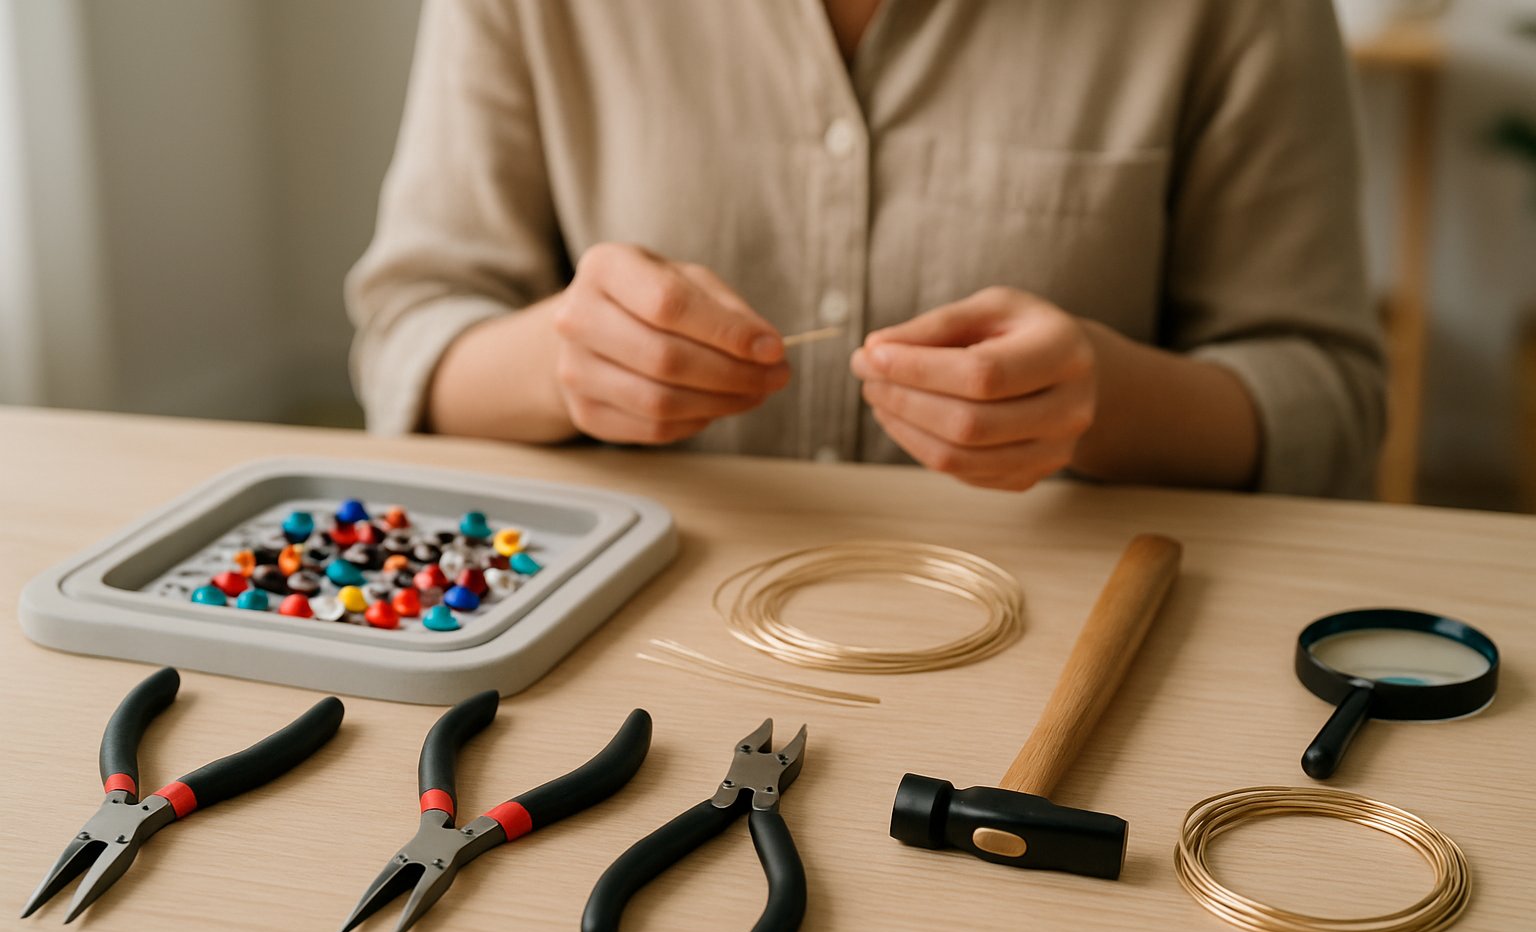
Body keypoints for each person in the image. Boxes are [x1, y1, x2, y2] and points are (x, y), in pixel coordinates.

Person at [347, 0, 1384, 498]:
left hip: (1068, 648)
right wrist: (560, 361)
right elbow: (410, 334)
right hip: (629, 644)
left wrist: (1102, 403)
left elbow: (1327, 400)